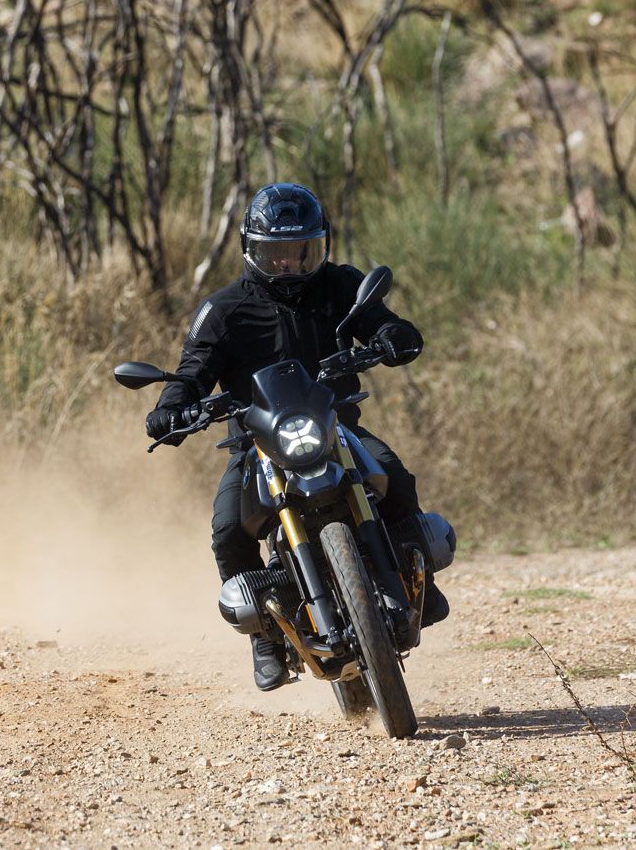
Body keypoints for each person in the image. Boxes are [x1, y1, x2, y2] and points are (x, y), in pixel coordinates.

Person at [145, 182, 449, 691]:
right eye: (276, 253)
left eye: (301, 251)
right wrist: (171, 409)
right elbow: (193, 370)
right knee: (228, 529)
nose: (288, 263)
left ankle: (420, 582)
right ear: (251, 249)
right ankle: (264, 641)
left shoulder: (341, 284)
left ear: (319, 246)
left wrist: (392, 336)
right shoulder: (223, 310)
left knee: (395, 477)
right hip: (258, 444)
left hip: (335, 426)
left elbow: (382, 321)